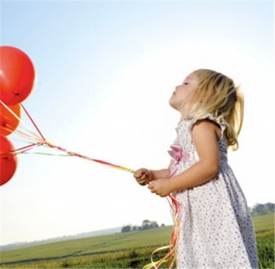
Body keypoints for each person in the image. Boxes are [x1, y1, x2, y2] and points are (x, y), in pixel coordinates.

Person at [134, 69, 258, 269]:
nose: (177, 86)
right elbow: (175, 170)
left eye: (186, 83)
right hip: (197, 210)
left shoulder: (201, 125)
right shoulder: (185, 130)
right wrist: (152, 175)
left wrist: (171, 185)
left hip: (214, 206)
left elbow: (209, 165)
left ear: (205, 95)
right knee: (202, 256)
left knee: (222, 254)